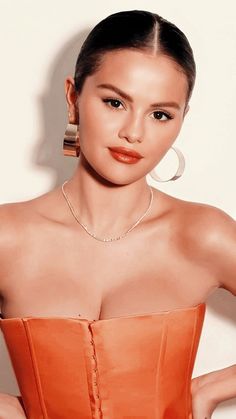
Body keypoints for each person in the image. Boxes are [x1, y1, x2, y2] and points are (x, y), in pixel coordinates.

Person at [0, 9, 235, 419]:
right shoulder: (8, 236)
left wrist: (213, 389)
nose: (135, 132)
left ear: (182, 120)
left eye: (160, 114)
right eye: (114, 102)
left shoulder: (202, 234)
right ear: (73, 98)